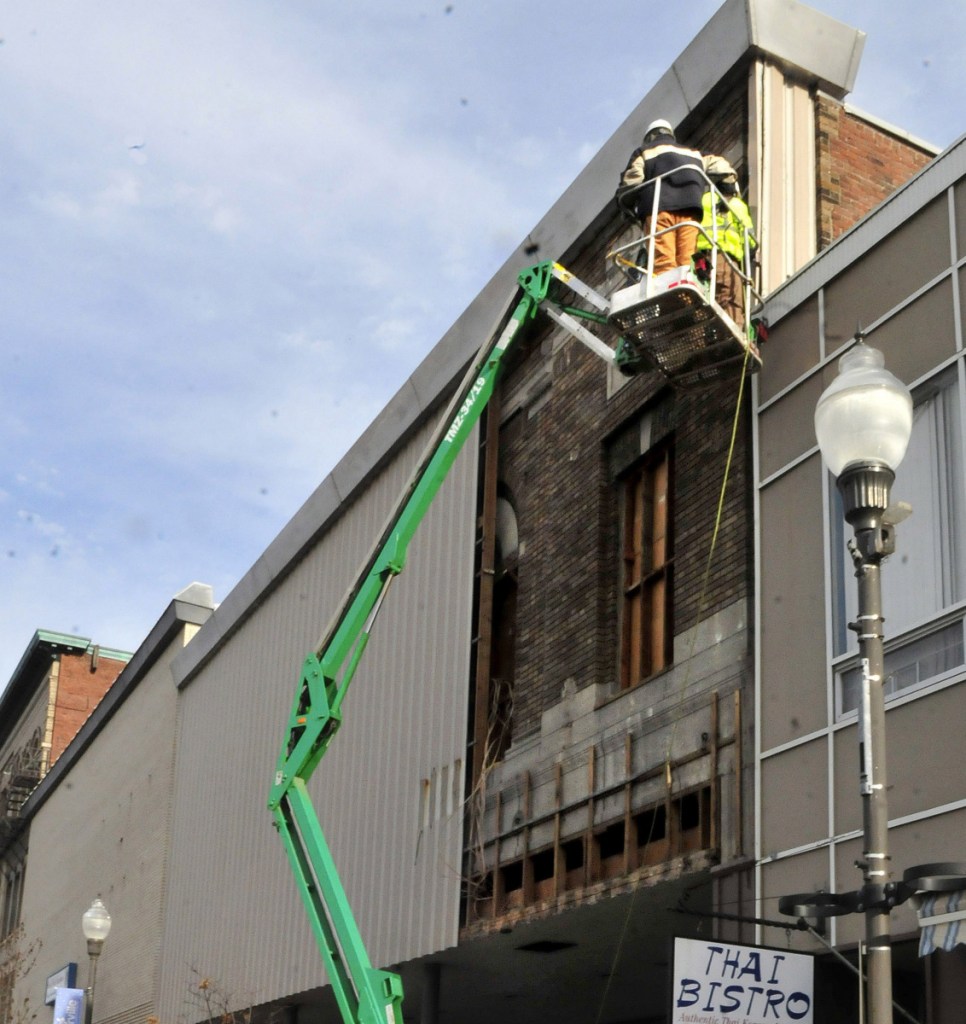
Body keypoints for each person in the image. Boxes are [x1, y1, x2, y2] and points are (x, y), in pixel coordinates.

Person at [616, 118, 707, 275]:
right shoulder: (695, 153)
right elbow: (721, 167)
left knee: (664, 260)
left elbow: (632, 180)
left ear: (650, 136)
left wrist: (625, 203)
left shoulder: (644, 151)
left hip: (660, 208)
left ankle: (670, 295)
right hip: (690, 211)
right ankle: (686, 292)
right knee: (688, 258)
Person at [694, 155, 757, 328]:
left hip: (700, 259)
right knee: (731, 298)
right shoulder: (736, 205)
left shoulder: (702, 200)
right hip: (724, 259)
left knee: (703, 300)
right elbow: (750, 240)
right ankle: (733, 333)